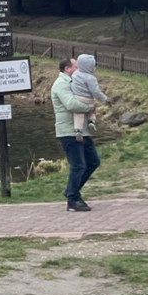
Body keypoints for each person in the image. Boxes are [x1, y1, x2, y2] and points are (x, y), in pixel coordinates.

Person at [51, 57, 100, 212]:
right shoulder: (61, 84)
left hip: (81, 131)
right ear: (67, 68)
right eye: (76, 67)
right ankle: (73, 199)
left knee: (93, 162)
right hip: (68, 132)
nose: (79, 70)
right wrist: (90, 107)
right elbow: (71, 104)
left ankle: (71, 191)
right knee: (78, 165)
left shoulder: (74, 82)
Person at [70, 54, 108, 139]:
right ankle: (91, 121)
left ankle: (78, 130)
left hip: (77, 98)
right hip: (88, 100)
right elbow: (96, 91)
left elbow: (71, 84)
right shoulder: (91, 78)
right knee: (92, 109)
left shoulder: (75, 74)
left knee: (78, 114)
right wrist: (104, 98)